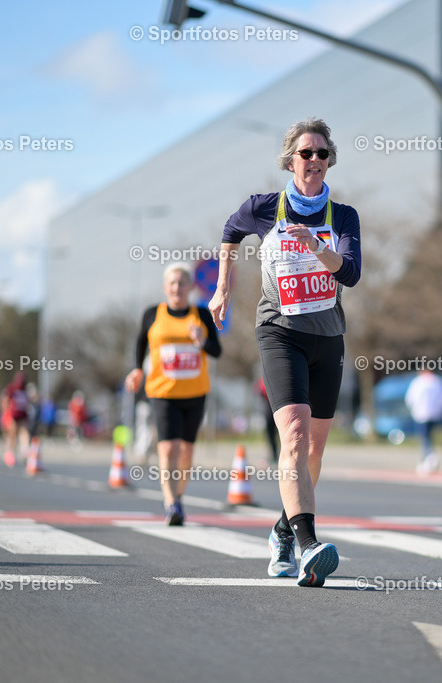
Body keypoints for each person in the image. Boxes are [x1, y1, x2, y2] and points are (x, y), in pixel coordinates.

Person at [209, 117, 361, 587]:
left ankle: (281, 529)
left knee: (313, 451)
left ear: (329, 159)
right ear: (289, 161)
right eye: (305, 153)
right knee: (292, 436)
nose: (313, 160)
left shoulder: (343, 216)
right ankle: (309, 544)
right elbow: (230, 232)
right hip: (279, 332)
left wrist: (316, 246)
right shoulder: (264, 209)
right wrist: (223, 288)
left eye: (321, 153)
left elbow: (350, 274)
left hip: (327, 336)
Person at [125, 262, 223, 525]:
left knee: (186, 452)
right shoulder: (152, 314)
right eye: (172, 283)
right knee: (168, 447)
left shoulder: (201, 315)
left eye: (182, 283)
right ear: (165, 287)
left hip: (195, 392)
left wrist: (201, 341)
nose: (177, 287)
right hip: (162, 392)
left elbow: (217, 351)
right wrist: (136, 370)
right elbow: (140, 342)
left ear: (190, 287)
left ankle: (178, 498)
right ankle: (171, 503)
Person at [405, 370, 442, 475]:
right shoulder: (437, 381)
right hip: (435, 414)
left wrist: (413, 410)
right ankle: (429, 457)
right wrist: (440, 410)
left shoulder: (418, 382)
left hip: (420, 414)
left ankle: (428, 458)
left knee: (424, 438)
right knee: (429, 437)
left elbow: (410, 398)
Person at [0, 371, 32, 467]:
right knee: (12, 434)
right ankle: (11, 452)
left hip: (22, 415)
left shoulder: (25, 390)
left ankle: (25, 452)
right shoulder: (11, 389)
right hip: (12, 414)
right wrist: (5, 412)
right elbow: (4, 399)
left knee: (24, 432)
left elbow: (27, 403)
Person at [255, 377, 279, 466]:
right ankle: (274, 455)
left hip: (279, 404)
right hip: (268, 406)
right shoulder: (264, 378)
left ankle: (279, 455)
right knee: (270, 433)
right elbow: (260, 390)